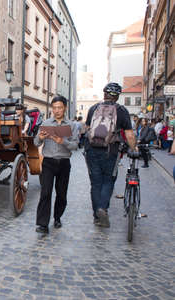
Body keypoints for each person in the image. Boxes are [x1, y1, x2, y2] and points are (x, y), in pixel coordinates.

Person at [84, 82, 137, 228]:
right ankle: (102, 208)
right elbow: (129, 134)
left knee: (95, 183)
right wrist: (135, 149)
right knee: (108, 180)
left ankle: (97, 216)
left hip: (92, 151)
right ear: (118, 96)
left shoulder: (93, 108)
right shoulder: (121, 110)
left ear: (104, 94)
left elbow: (87, 129)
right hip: (111, 151)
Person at [33, 96, 78, 234]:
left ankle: (57, 217)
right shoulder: (46, 123)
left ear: (64, 108)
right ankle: (42, 224)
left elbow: (75, 145)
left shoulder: (71, 125)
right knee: (45, 193)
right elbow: (36, 143)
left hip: (64, 163)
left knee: (61, 194)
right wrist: (40, 138)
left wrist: (62, 141)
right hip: (48, 162)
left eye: (59, 107)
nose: (57, 110)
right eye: (54, 108)